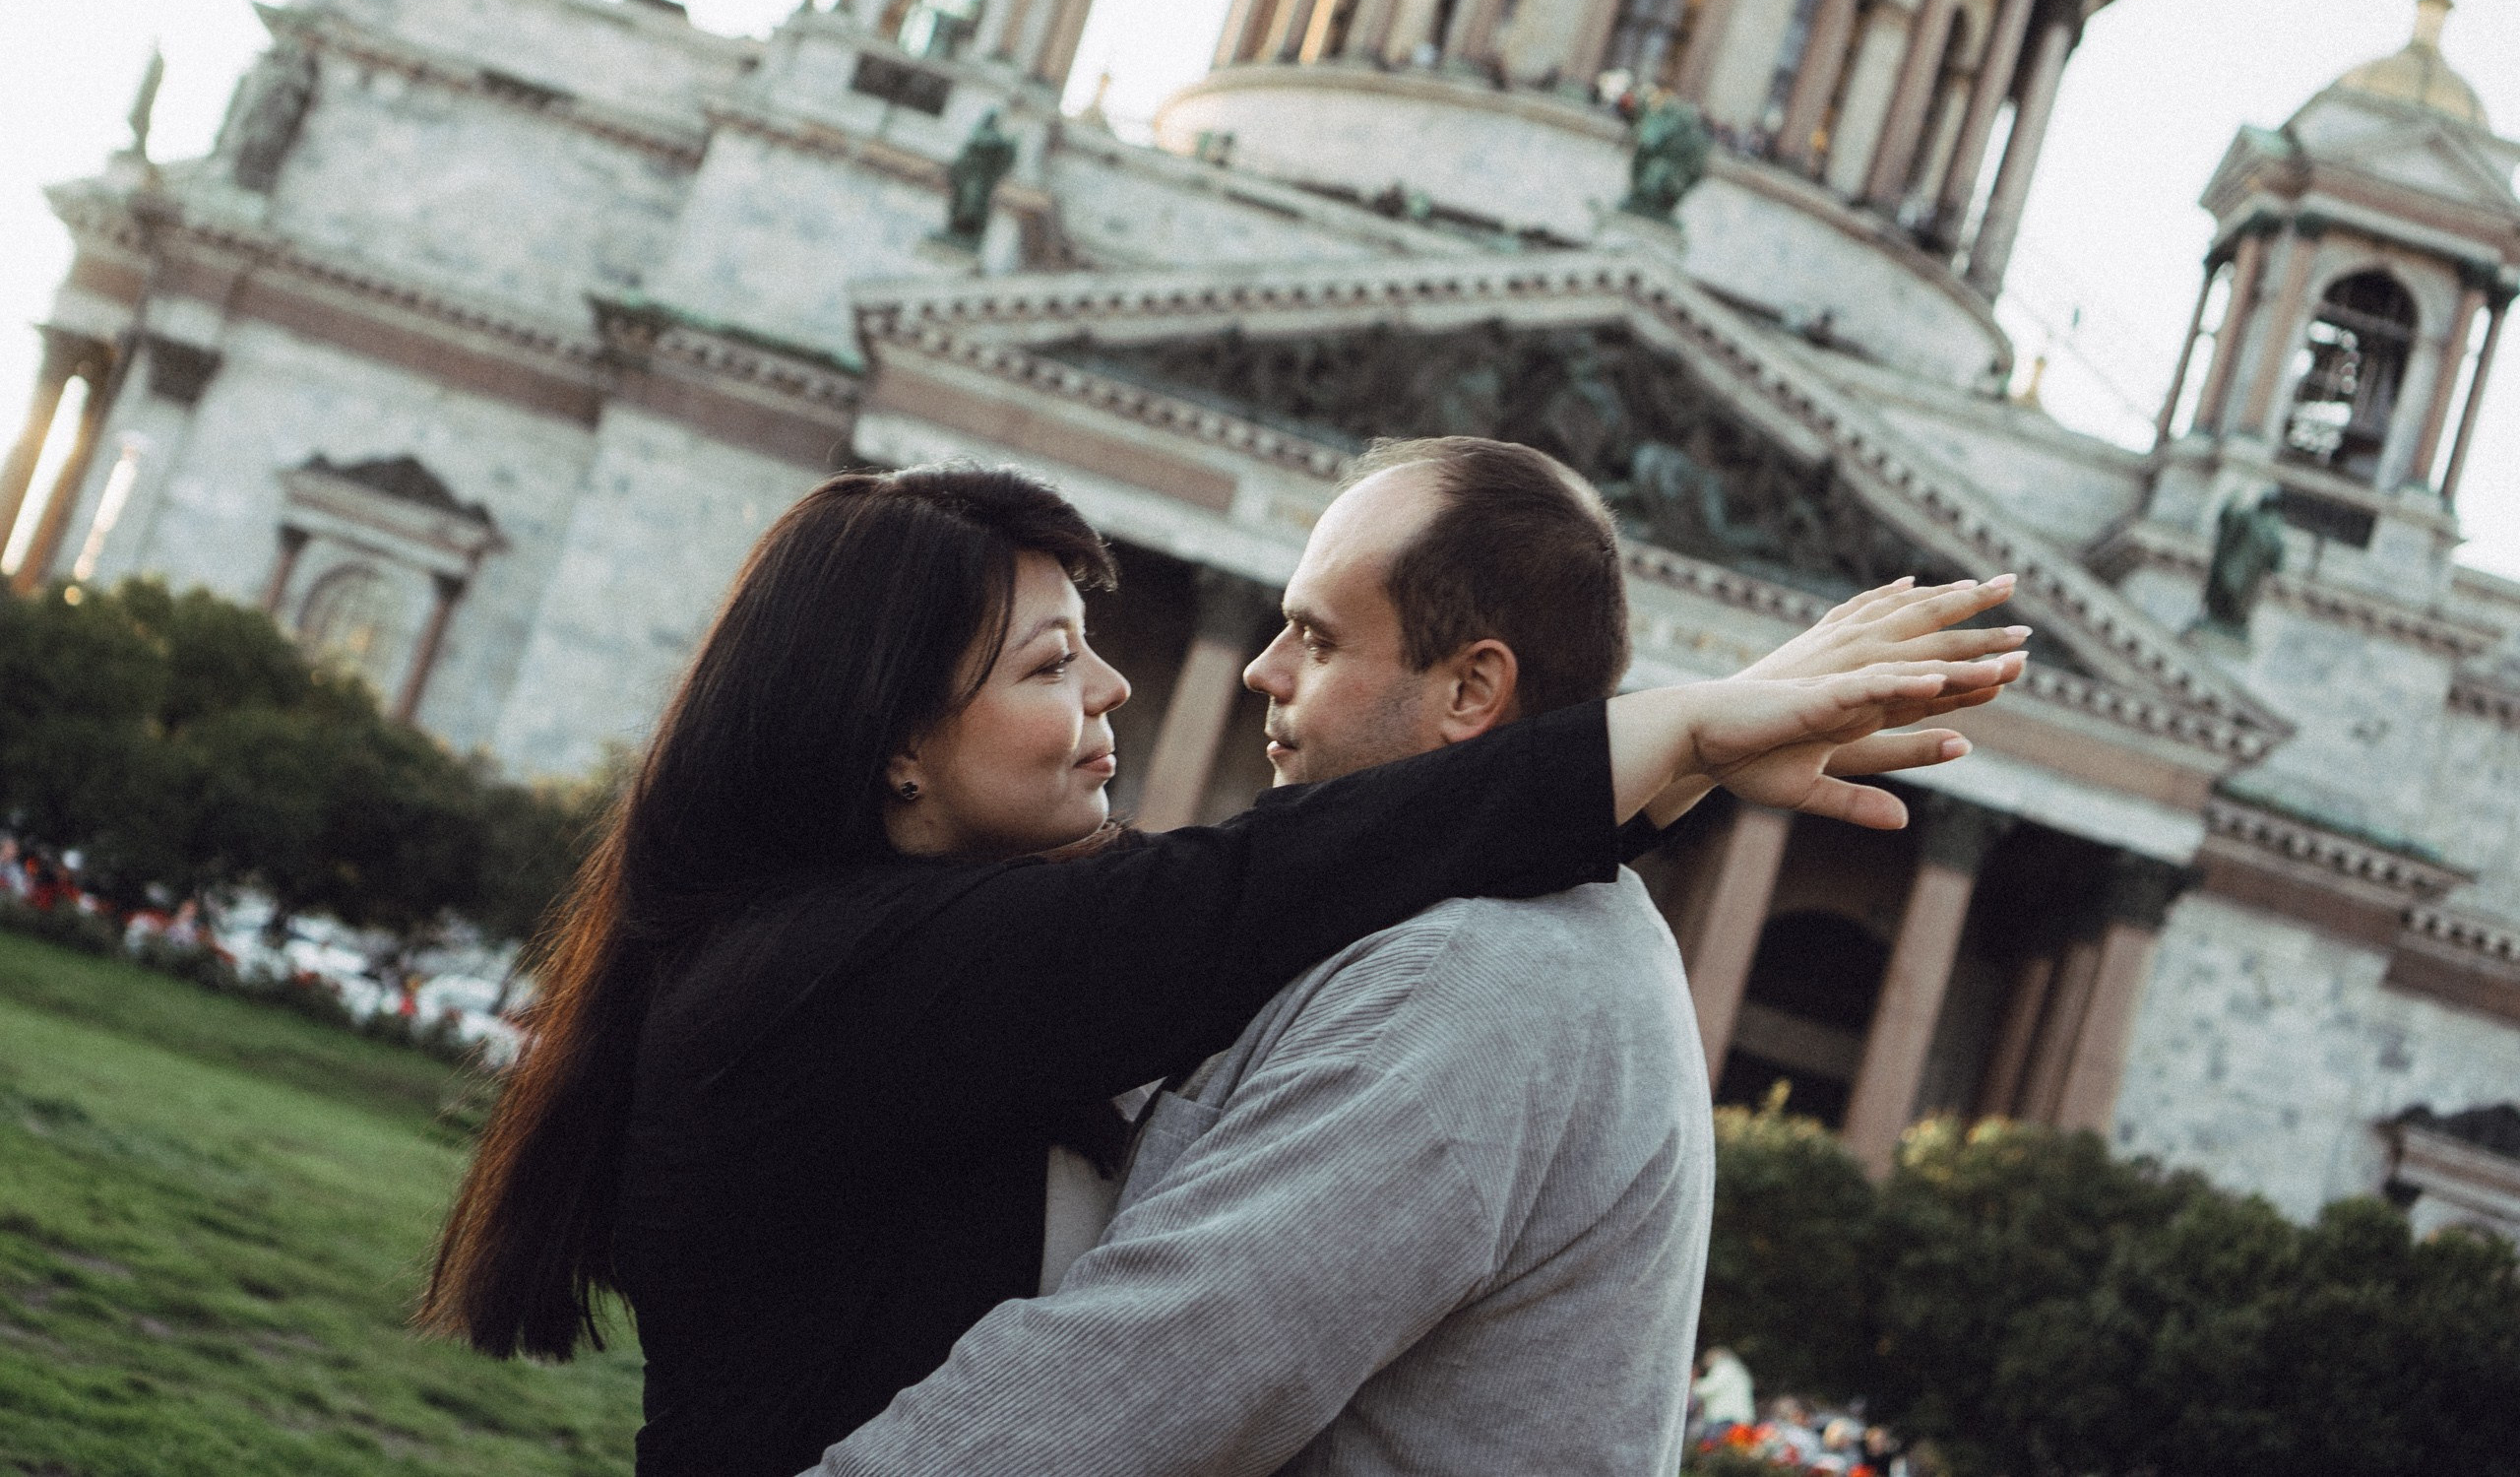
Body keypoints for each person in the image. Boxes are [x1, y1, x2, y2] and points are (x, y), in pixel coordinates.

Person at [416, 462, 2013, 1477]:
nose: (1159, 679)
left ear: (1473, 690)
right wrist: (1667, 742)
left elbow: (1174, 1351)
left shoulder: (1488, 977)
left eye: (1312, 636)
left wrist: (1659, 770)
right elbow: (1245, 896)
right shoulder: (855, 965)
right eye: (1051, 663)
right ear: (891, 748)